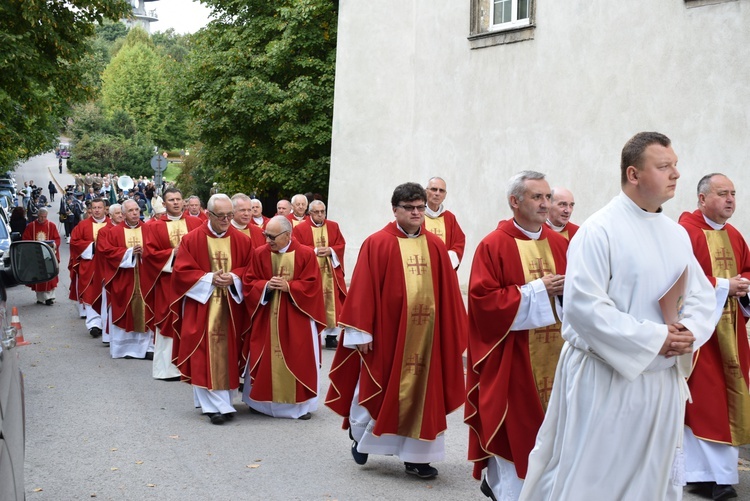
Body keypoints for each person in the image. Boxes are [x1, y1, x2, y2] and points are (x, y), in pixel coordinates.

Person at [520, 132, 716, 500]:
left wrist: (689, 331)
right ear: (633, 174)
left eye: (675, 165)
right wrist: (657, 338)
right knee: (593, 479)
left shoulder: (676, 234)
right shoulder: (599, 230)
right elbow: (584, 308)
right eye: (663, 166)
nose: (675, 174)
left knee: (651, 480)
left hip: (660, 382)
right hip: (605, 379)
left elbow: (701, 295)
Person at [325, 182, 467, 480]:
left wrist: (450, 335)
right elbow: (362, 290)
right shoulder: (377, 242)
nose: (417, 213)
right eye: (410, 208)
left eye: (420, 208)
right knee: (377, 384)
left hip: (427, 338)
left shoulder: (435, 246)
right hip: (387, 335)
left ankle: (417, 457)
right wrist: (361, 333)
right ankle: (362, 437)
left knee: (425, 395)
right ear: (395, 210)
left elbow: (449, 295)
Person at [464, 171, 568, 500]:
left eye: (547, 197)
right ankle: (506, 490)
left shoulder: (559, 243)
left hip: (558, 359)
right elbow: (484, 303)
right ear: (515, 201)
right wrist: (538, 290)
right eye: (538, 197)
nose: (545, 203)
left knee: (555, 434)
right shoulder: (494, 245)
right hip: (513, 358)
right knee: (515, 428)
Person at [679, 173, 750, 501]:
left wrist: (742, 287)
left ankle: (713, 476)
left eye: (733, 193)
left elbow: (747, 271)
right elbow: (678, 280)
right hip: (698, 341)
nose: (730, 199)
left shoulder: (734, 235)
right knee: (703, 404)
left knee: (725, 400)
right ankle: (705, 477)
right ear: (702, 199)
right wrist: (725, 286)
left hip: (731, 335)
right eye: (723, 194)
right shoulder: (684, 233)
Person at [171, 194, 253, 424]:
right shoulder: (192, 240)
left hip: (232, 310)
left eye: (230, 215)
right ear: (208, 214)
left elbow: (250, 270)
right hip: (203, 307)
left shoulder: (243, 241)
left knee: (228, 352)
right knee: (203, 352)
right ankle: (214, 407)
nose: (227, 220)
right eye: (222, 216)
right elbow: (181, 273)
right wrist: (209, 278)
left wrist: (234, 277)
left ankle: (224, 401)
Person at [241, 216, 326, 419]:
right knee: (263, 355)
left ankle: (300, 406)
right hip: (267, 314)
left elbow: (313, 285)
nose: (267, 240)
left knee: (299, 355)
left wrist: (290, 287)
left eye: (272, 236)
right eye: (265, 235)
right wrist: (265, 286)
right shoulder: (259, 253)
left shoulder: (305, 254)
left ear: (288, 235)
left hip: (297, 317)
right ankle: (260, 404)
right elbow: (249, 282)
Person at [141, 188, 202, 380]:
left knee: (192, 323)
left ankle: (191, 367)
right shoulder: (154, 227)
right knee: (168, 321)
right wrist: (171, 254)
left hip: (193, 283)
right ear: (164, 204)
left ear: (183, 202)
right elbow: (149, 255)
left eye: (178, 199)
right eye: (171, 200)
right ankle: (166, 370)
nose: (175, 203)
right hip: (168, 282)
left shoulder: (197, 223)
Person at [97, 199, 154, 359]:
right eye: (131, 211)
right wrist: (129, 252)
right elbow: (107, 252)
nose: (135, 213)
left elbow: (156, 251)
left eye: (137, 210)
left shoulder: (148, 229)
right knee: (125, 311)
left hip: (145, 279)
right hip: (124, 279)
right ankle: (126, 349)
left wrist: (145, 252)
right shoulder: (114, 232)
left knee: (147, 310)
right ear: (123, 214)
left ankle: (147, 348)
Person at [292, 200, 347, 349]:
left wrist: (331, 250)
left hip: (330, 273)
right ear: (310, 213)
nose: (320, 215)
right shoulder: (301, 228)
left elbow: (341, 244)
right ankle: (312, 334)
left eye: (323, 211)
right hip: (312, 273)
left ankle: (331, 336)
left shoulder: (333, 226)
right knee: (313, 301)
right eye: (317, 212)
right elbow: (297, 246)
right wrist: (314, 251)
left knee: (332, 302)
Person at [68, 198, 108, 324]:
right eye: (94, 208)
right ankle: (93, 324)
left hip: (108, 266)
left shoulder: (112, 224)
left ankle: (106, 322)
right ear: (90, 209)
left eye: (99, 207)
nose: (96, 210)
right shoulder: (83, 225)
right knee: (90, 293)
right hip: (90, 265)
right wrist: (92, 246)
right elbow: (74, 243)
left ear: (105, 209)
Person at [422, 177, 466, 270]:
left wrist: (446, 261)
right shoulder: (417, 215)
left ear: (445, 195)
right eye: (434, 189)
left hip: (444, 268)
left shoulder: (449, 218)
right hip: (424, 267)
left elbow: (459, 241)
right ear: (426, 191)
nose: (437, 193)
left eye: (441, 191)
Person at [22, 208, 61, 305]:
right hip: (36, 256)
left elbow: (57, 239)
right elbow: (25, 239)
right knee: (39, 277)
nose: (43, 219)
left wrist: (54, 245)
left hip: (48, 255)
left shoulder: (51, 225)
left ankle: (49, 297)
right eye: (41, 217)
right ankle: (40, 298)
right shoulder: (31, 226)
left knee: (50, 275)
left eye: (45, 217)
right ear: (37, 216)